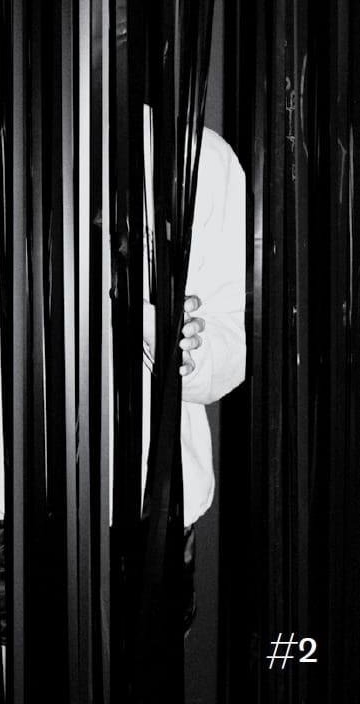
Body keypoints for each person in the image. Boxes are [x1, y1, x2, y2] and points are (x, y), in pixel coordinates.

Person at [143, 125, 246, 630]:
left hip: (155, 516)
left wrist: (184, 350)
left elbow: (232, 350)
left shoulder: (201, 155)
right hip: (6, 513)